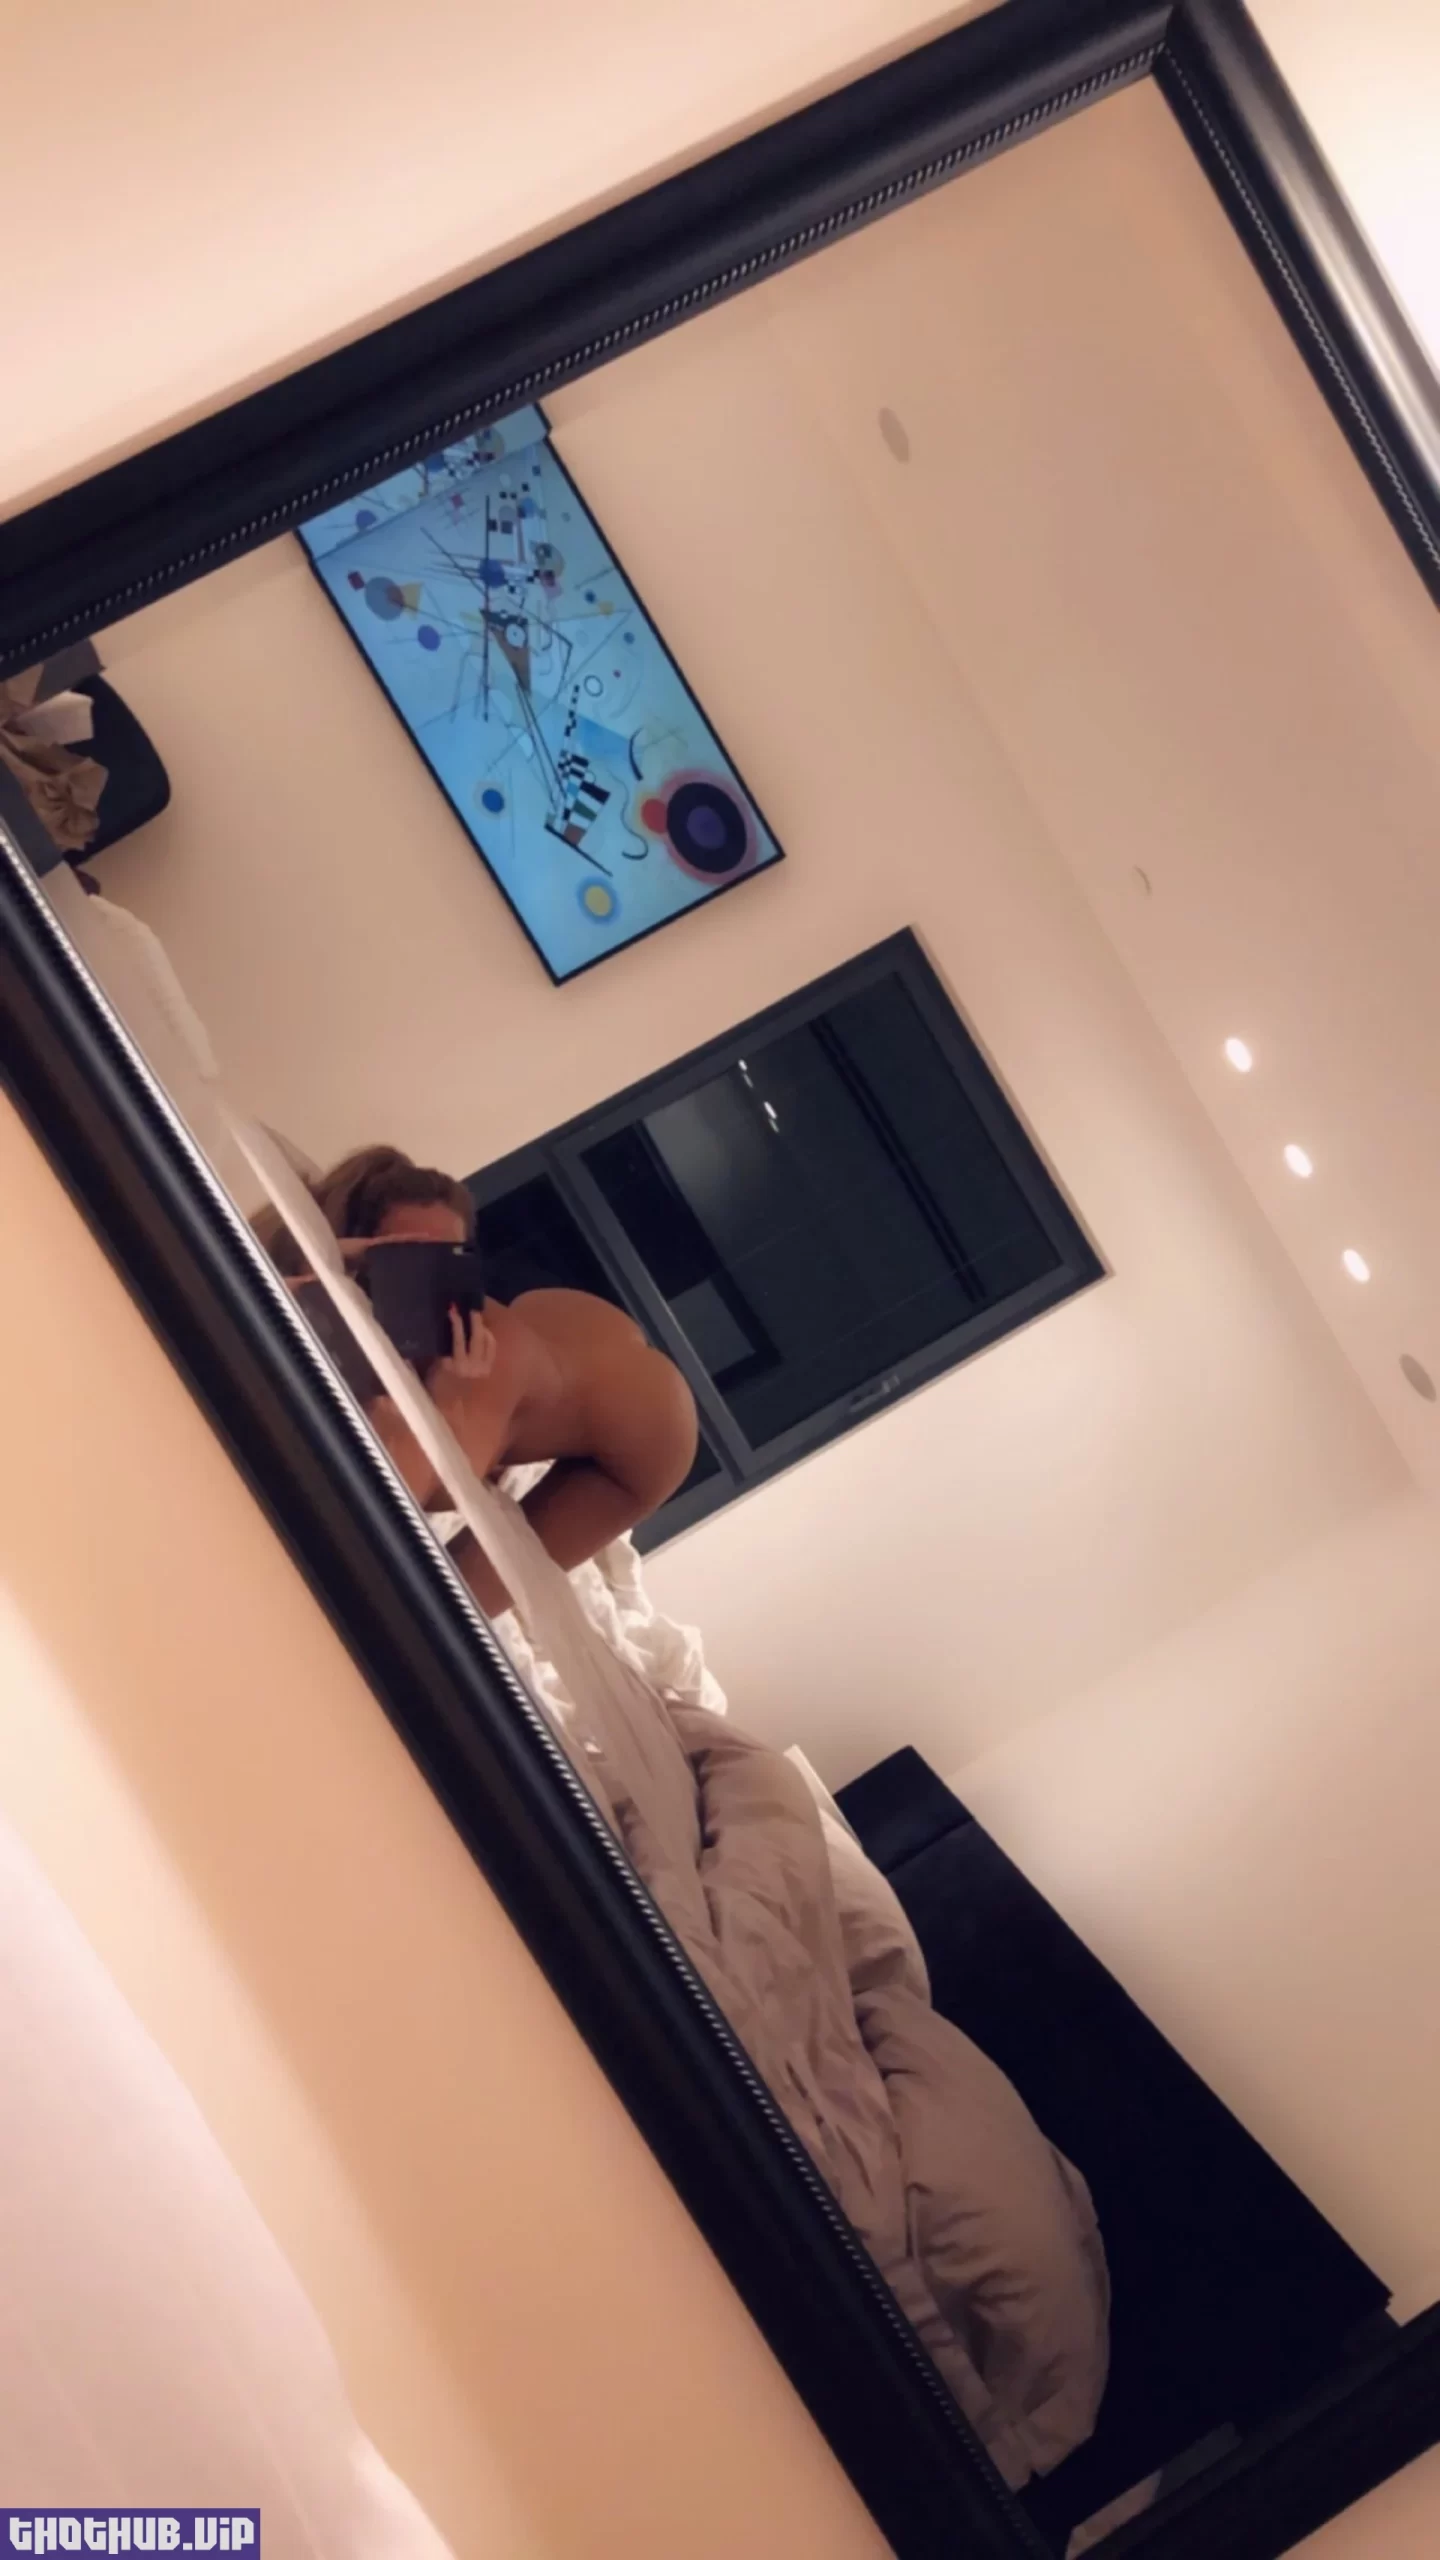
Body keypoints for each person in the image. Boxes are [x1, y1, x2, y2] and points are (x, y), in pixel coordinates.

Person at [254, 1146, 697, 1616]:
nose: (426, 1286)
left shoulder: (490, 1358)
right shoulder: (347, 1299)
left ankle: (510, 1435)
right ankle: (509, 1435)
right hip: (559, 1316)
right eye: (404, 1260)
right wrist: (326, 1271)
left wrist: (450, 1403)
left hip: (650, 1428)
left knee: (451, 1603)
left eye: (445, 1263)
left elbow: (391, 1506)